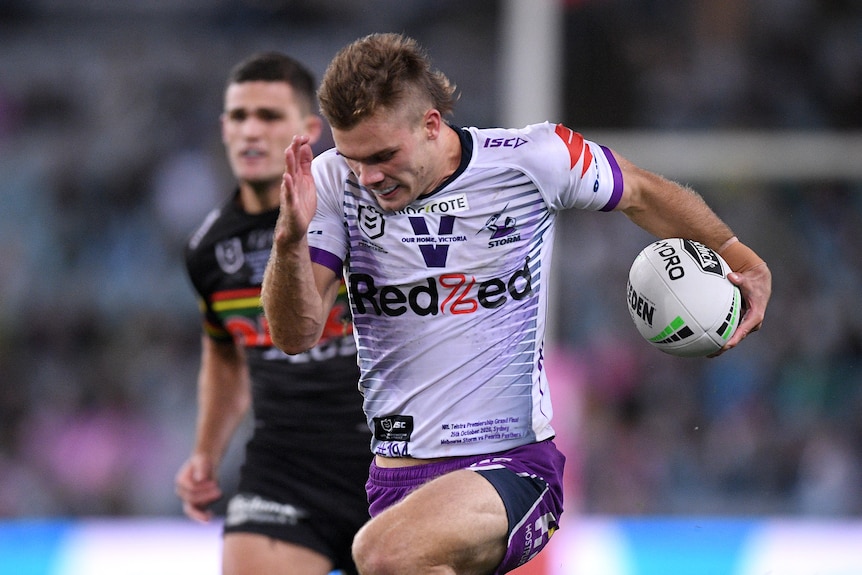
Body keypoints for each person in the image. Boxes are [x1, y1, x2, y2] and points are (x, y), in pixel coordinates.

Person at [261, 33, 772, 575]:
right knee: (391, 552)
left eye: (384, 156)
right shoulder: (332, 185)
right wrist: (288, 241)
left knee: (382, 554)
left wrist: (741, 257)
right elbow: (295, 334)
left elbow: (644, 192)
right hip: (396, 485)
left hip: (511, 471)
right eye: (353, 158)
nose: (369, 176)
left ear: (431, 125)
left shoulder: (533, 159)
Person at [174, 51, 371, 575]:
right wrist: (205, 454)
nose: (251, 131)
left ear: (309, 129)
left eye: (269, 116)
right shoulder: (208, 251)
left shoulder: (369, 215)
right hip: (283, 473)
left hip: (392, 462)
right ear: (223, 128)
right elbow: (226, 356)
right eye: (239, 116)